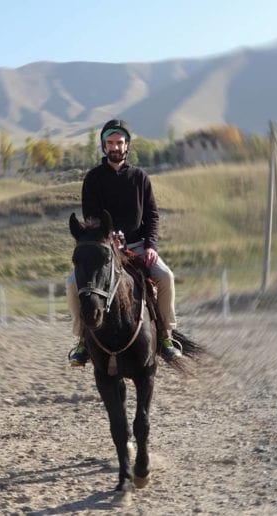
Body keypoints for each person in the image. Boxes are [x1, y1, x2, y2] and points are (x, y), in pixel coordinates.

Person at [67, 119, 182, 365]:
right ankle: (82, 340)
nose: (115, 147)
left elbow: (152, 216)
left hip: (138, 248)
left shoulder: (140, 178)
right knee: (71, 283)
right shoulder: (93, 179)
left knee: (166, 277)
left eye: (119, 142)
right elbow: (92, 219)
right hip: (105, 251)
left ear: (127, 145)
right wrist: (110, 242)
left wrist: (151, 246)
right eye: (110, 143)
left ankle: (166, 336)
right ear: (103, 145)